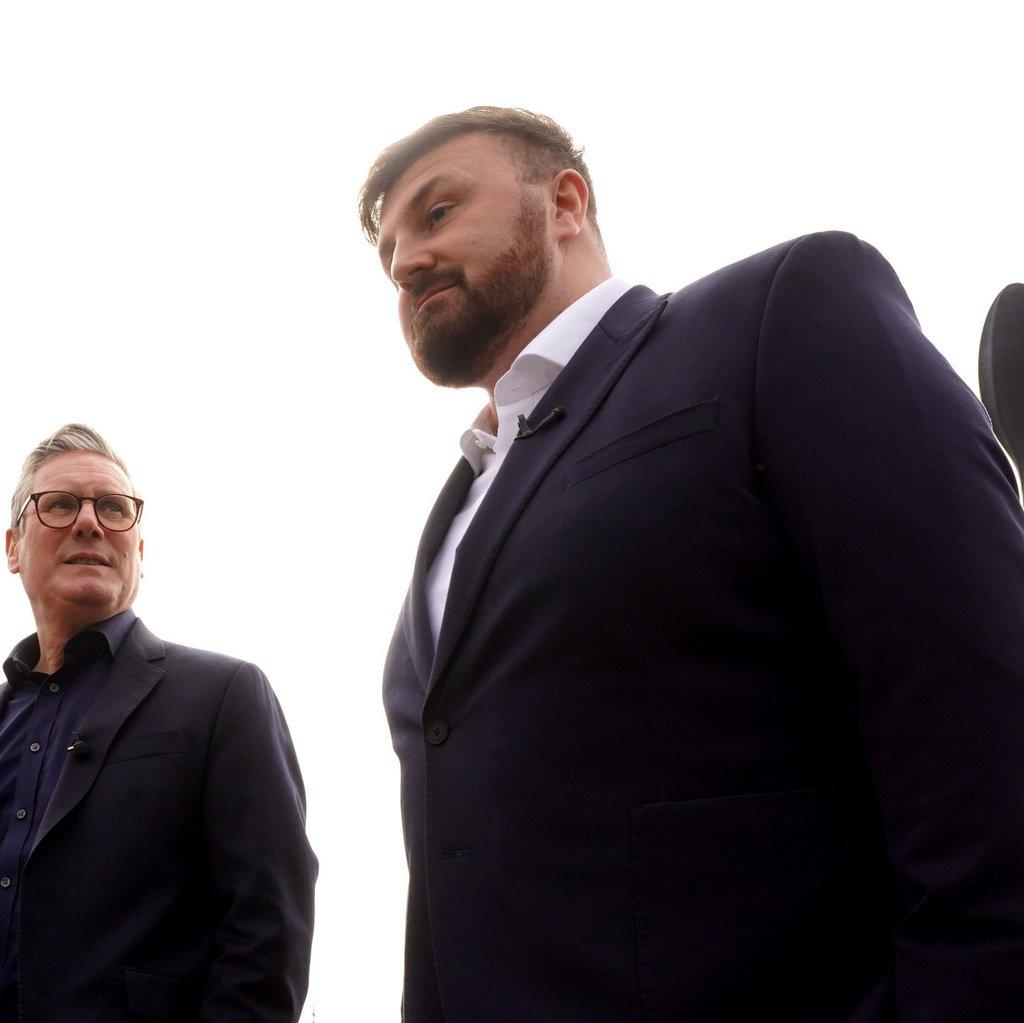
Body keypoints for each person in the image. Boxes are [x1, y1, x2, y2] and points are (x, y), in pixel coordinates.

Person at [361, 107, 1024, 1020]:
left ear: (564, 202)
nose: (404, 261)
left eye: (436, 214)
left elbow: (973, 683)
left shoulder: (777, 312)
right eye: (387, 248)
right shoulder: (457, 508)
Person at [0, 424, 317, 1022]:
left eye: (114, 508)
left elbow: (269, 930)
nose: (89, 522)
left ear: (140, 553)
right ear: (13, 547)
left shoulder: (224, 696)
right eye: (60, 505)